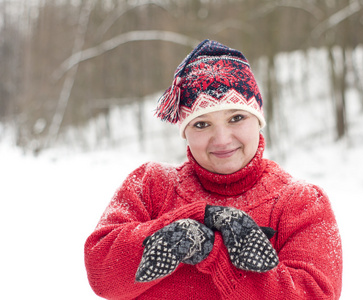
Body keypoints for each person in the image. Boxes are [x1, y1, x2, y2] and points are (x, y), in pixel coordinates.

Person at [84, 39, 342, 300]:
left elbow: (314, 295)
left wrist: (213, 251)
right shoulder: (151, 184)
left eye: (236, 118)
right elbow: (102, 273)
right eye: (201, 125)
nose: (221, 139)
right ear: (185, 133)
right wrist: (191, 222)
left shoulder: (301, 203)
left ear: (258, 120)